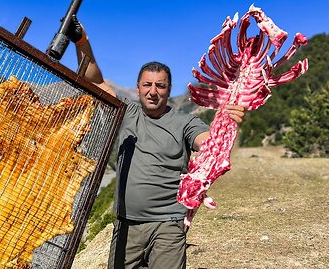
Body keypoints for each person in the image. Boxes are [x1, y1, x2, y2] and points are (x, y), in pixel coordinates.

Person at [65, 16, 245, 269]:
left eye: (160, 86)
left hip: (168, 224)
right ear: (137, 88)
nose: (153, 91)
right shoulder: (125, 112)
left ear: (169, 90)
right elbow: (93, 80)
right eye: (147, 85)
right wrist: (82, 41)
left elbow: (210, 145)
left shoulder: (184, 122)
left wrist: (228, 122)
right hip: (127, 224)